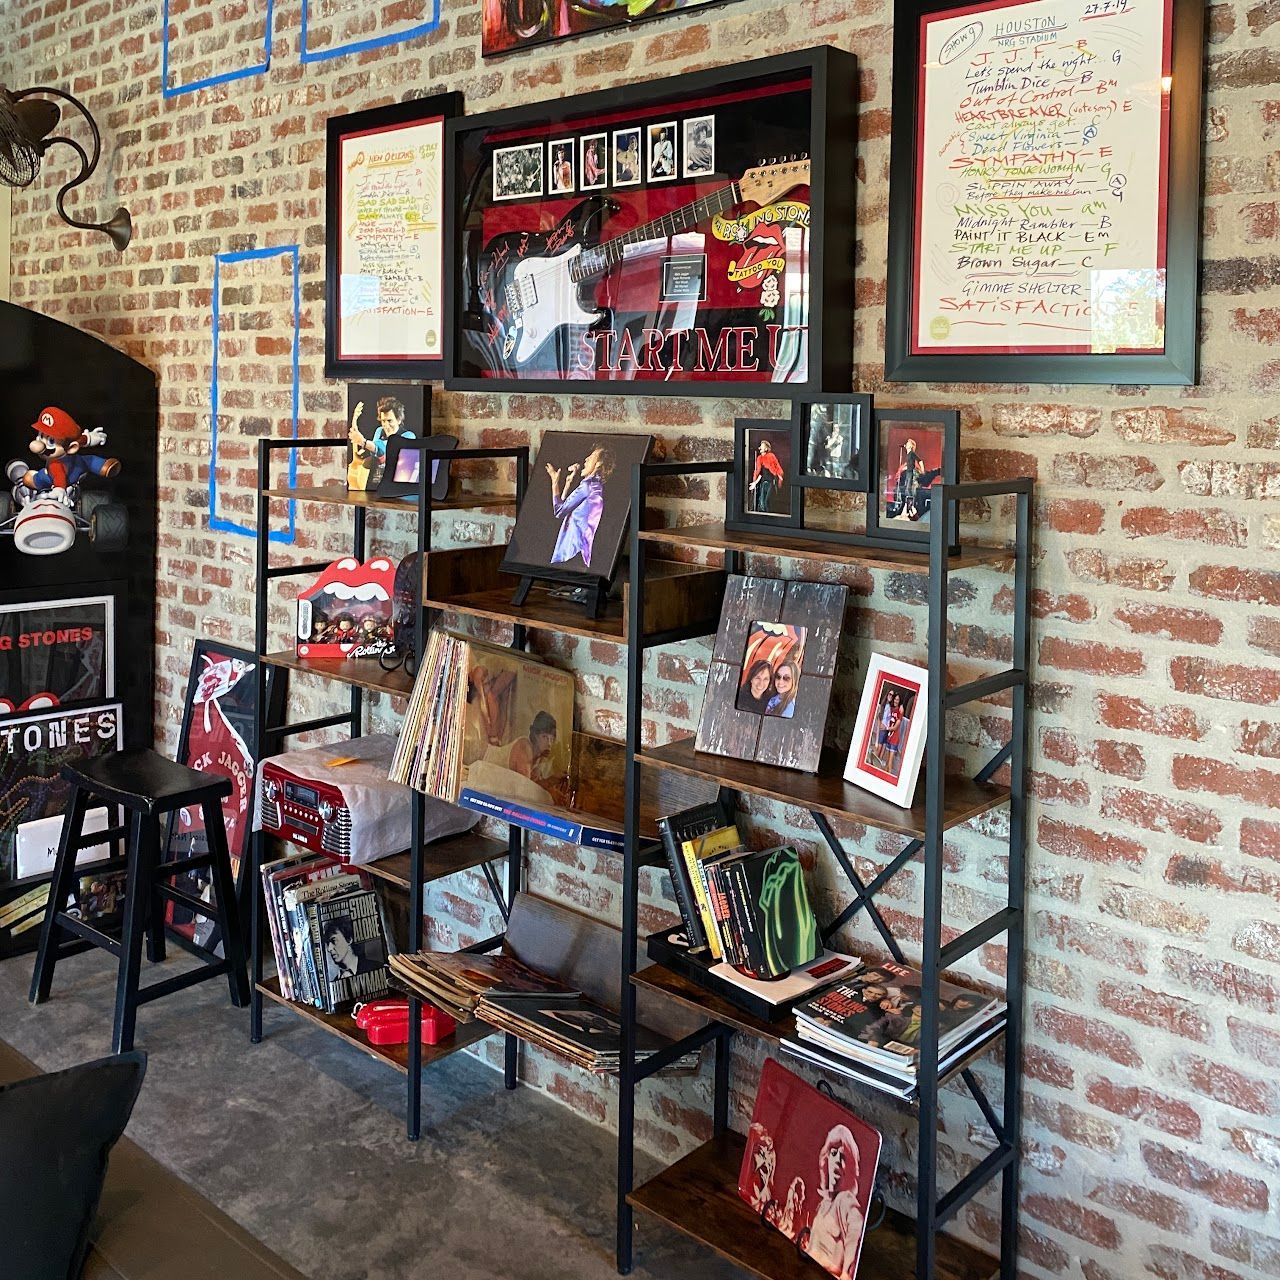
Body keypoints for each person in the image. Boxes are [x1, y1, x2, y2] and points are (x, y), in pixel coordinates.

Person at [801, 1125, 865, 1280]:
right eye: (834, 1153)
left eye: (843, 1156)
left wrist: (846, 1273)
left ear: (850, 1165)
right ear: (826, 1159)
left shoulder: (844, 1201)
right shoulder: (824, 1204)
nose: (837, 1160)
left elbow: (856, 1225)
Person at [548, 443, 614, 569]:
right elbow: (566, 508)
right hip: (581, 551)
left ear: (599, 463)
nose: (586, 459)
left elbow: (559, 511)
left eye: (592, 456)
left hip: (572, 552)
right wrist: (568, 482)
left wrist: (555, 483)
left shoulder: (587, 487)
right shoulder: (595, 486)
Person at [348, 395, 413, 490]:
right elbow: (376, 450)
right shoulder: (379, 431)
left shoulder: (408, 436)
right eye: (383, 421)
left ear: (398, 420)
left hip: (398, 483)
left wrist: (364, 442)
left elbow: (387, 451)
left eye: (389, 421)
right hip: (377, 480)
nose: (386, 425)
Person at [506, 709, 558, 789]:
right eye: (544, 737)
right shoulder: (524, 747)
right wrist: (550, 781)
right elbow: (525, 788)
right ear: (535, 735)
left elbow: (535, 785)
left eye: (551, 739)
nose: (549, 744)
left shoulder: (538, 757)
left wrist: (554, 779)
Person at [322, 916, 380, 981]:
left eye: (334, 941)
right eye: (328, 943)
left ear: (349, 940)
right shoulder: (333, 983)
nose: (329, 949)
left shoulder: (377, 968)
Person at [748, 439, 785, 514]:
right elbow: (760, 474)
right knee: (762, 502)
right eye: (760, 446)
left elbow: (776, 468)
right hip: (763, 483)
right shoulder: (759, 459)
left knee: (767, 501)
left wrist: (779, 476)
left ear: (766, 448)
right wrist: (755, 483)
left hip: (770, 483)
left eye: (762, 446)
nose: (760, 448)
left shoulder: (771, 456)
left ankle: (769, 517)